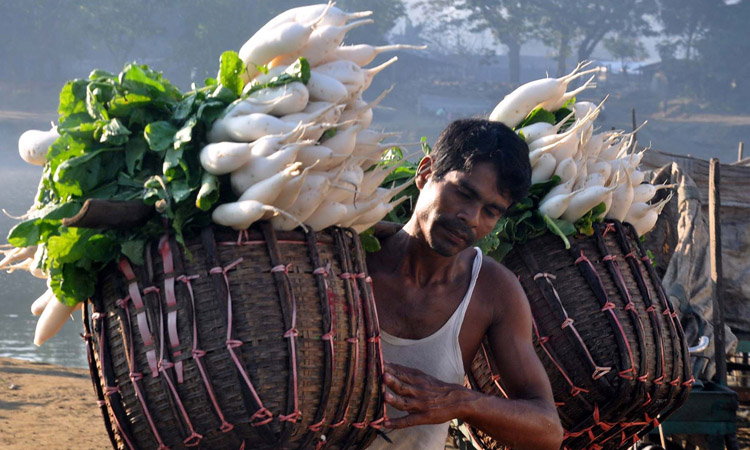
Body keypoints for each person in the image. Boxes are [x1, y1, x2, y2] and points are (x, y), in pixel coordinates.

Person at [365, 118, 564, 450]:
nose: (471, 218)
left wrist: (458, 402)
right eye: (464, 194)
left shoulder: (493, 291)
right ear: (426, 172)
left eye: (490, 212)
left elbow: (547, 431)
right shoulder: (351, 258)